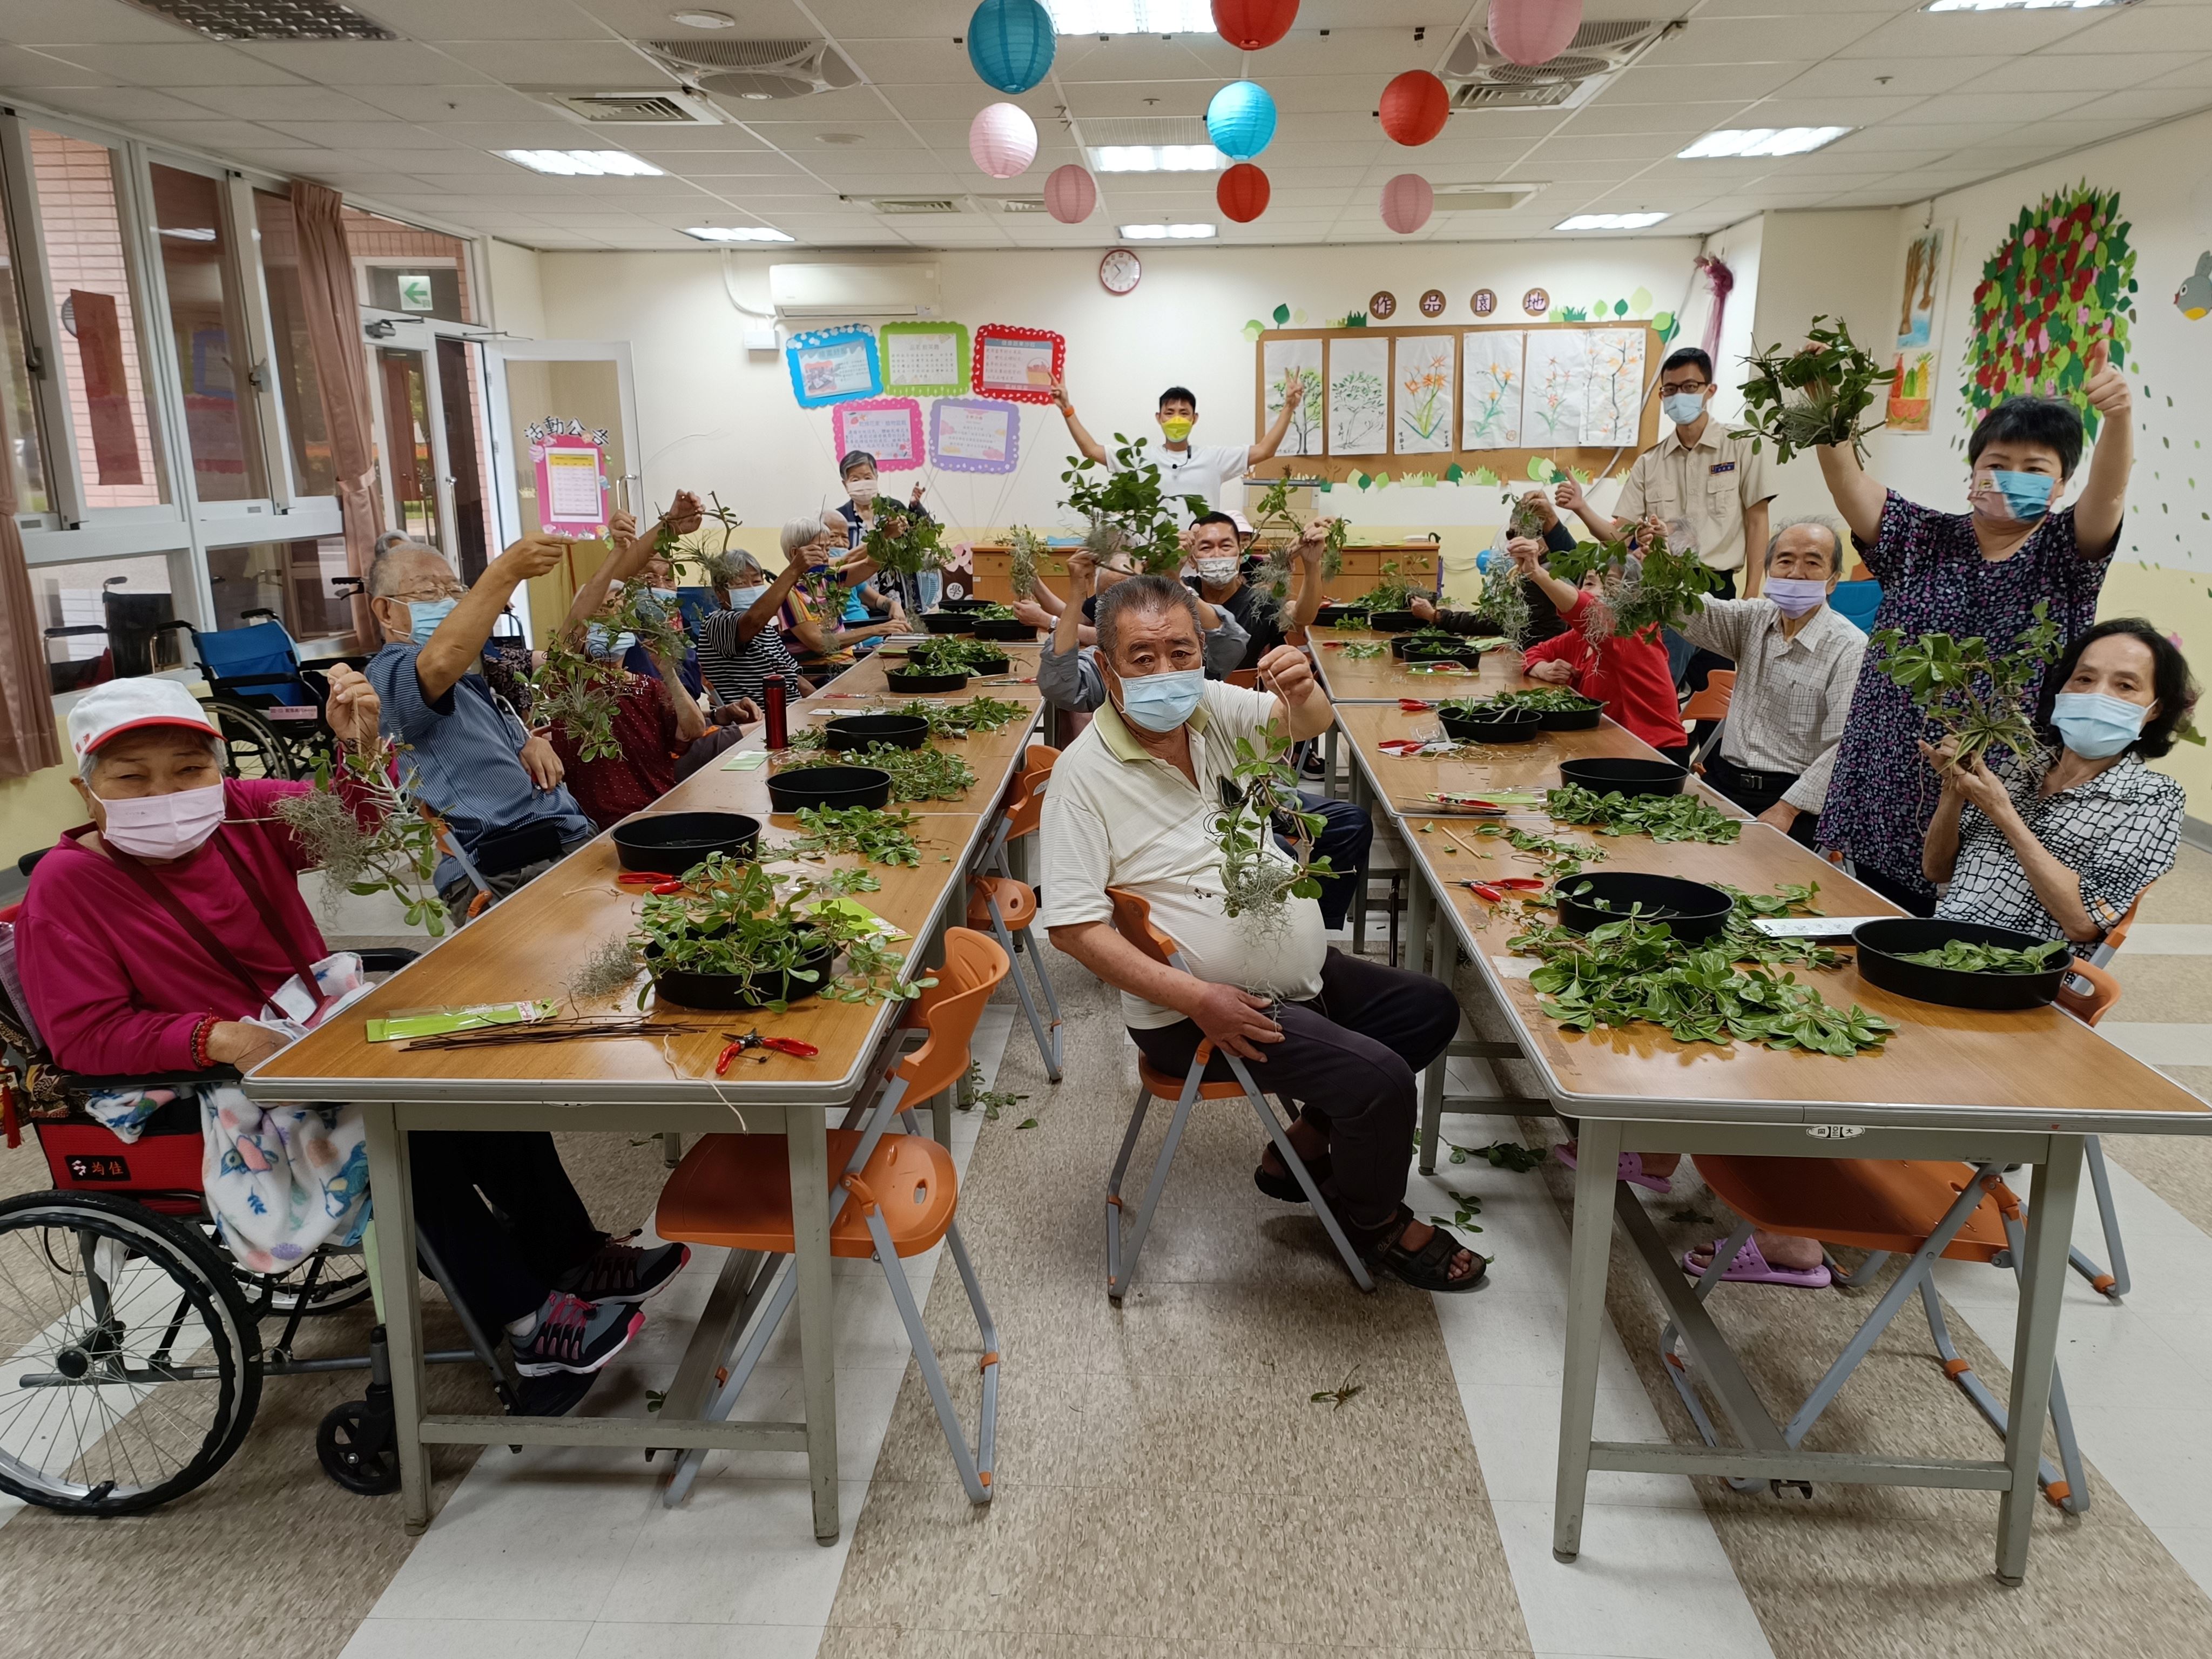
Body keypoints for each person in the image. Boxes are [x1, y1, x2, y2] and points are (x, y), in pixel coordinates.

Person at [15, 677, 682, 1388]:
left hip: (311, 1031)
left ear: (219, 767)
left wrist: (361, 752)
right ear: (87, 790)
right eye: (132, 777)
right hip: (201, 1079)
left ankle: (570, 1252)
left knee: (467, 1066)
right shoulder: (68, 887)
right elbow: (87, 1034)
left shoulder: (240, 815)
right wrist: (224, 1039)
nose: (167, 793)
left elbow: (355, 823)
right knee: (402, 1129)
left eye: (188, 769)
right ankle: (528, 1322)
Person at [1037, 575, 1482, 1291]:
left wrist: (1302, 688)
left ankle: (1301, 1145)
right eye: (1142, 658)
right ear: (1108, 671)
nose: (1166, 672)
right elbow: (1074, 928)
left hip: (1284, 976)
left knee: (1428, 1008)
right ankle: (1374, 1224)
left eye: (1180, 651)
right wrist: (1196, 999)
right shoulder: (1084, 778)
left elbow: (1302, 726)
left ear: (1202, 654)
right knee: (1382, 1083)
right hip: (1196, 1014)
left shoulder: (1210, 708)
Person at [1812, 350, 2134, 915]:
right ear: (1972, 474)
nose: (2012, 477)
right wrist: (1824, 402)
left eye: (2036, 469)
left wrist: (2118, 418)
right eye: (1997, 461)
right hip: (1887, 766)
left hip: (1993, 779)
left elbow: (2107, 494)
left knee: (1965, 919)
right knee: (1867, 916)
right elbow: (1845, 479)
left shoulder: (2065, 552)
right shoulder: (1921, 537)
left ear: (2060, 486)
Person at [364, 533, 599, 927]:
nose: (446, 600)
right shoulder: (387, 672)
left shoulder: (470, 682)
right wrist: (505, 572)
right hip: (506, 869)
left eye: (454, 589)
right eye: (427, 591)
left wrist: (526, 741)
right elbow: (440, 662)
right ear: (386, 613)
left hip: (567, 840)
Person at [1923, 618, 2191, 955]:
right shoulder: (2022, 766)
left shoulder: (2153, 799)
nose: (2097, 695)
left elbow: (2082, 923)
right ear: (2062, 689)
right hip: (1940, 946)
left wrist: (2003, 813)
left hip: (2018, 972)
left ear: (2156, 710)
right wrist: (1953, 788)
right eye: (2084, 679)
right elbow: (1936, 870)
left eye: (2125, 686)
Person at [1674, 518, 1866, 846]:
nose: (1795, 573)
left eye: (1813, 562)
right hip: (1723, 780)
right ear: (1768, 570)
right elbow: (1695, 615)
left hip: (1791, 797)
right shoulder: (1755, 617)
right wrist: (1664, 567)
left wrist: (1788, 809)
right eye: (1786, 560)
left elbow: (1844, 746)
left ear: (1833, 581)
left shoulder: (1849, 648)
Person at [1553, 347, 1775, 599]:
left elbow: (1757, 521)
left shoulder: (1742, 445)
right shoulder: (1649, 462)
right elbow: (1620, 537)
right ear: (1662, 396)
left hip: (1717, 584)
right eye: (1670, 389)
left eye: (1690, 387)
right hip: (1660, 588)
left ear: (1709, 391)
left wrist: (1754, 590)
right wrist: (1581, 507)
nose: (1679, 395)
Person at [545, 506, 716, 832]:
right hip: (605, 826)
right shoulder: (568, 681)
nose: (610, 621)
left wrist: (668, 674)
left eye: (618, 613)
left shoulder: (648, 686)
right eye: (601, 613)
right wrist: (619, 552)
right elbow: (579, 617)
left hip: (662, 812)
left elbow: (693, 730)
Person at [1510, 533, 1690, 764]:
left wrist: (1537, 573)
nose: (1596, 593)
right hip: (1608, 744)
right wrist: (1542, 669)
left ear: (1634, 596)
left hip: (1654, 755)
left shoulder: (1633, 631)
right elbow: (1534, 653)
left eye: (1612, 585)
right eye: (1590, 583)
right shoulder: (1581, 637)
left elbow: (1588, 610)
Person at [1051, 377, 1305, 519]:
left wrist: (1289, 408)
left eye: (1184, 413)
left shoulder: (1213, 458)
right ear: (1159, 417)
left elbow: (1265, 450)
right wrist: (1067, 409)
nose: (1177, 419)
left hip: (1200, 565)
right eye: (1170, 412)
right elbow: (1091, 450)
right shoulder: (1140, 458)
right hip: (1153, 561)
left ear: (1195, 419)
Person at [1035, 544, 1250, 710]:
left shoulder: (1185, 650)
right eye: (1143, 660)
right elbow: (1060, 687)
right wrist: (1076, 595)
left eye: (1136, 595)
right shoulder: (1104, 663)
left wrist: (1175, 581)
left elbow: (1231, 645)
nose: (1164, 671)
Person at [1412, 489, 1575, 646]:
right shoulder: (1529, 567)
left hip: (1538, 657)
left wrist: (1437, 616)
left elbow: (1496, 621)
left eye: (1520, 534)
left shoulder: (1544, 573)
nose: (1514, 540)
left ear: (1542, 536)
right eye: (1511, 534)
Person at [1186, 509, 1337, 670]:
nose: (1217, 555)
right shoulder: (1178, 593)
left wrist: (1312, 564)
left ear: (1240, 555)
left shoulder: (1258, 602)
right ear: (1192, 560)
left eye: (1226, 546)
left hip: (1244, 692)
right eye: (1206, 548)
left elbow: (1300, 619)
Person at [696, 521, 821, 708]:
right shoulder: (716, 623)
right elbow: (753, 621)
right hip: (757, 722)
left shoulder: (767, 631)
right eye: (740, 584)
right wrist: (794, 569)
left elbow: (796, 679)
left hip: (794, 714)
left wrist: (820, 705)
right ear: (720, 593)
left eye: (756, 581)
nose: (752, 589)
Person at [835, 450, 936, 611]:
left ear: (876, 477)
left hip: (901, 600)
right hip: (859, 606)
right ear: (845, 483)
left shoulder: (894, 509)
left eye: (868, 477)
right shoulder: (839, 519)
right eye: (855, 479)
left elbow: (927, 538)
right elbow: (837, 564)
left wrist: (916, 508)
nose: (863, 483)